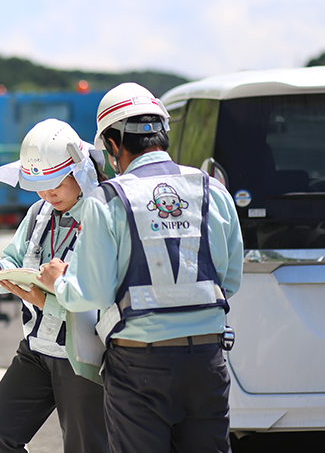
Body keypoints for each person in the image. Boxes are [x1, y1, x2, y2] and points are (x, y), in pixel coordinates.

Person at [38, 83, 244, 453]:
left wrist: (59, 283)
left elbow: (93, 293)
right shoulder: (212, 188)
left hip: (139, 365)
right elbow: (230, 280)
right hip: (207, 361)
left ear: (114, 145)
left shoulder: (109, 198)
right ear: (162, 134)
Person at [0, 118, 109, 453]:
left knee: (86, 447)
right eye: (39, 186)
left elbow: (107, 294)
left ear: (81, 170)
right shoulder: (39, 213)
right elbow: (14, 257)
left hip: (82, 356)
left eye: (56, 183)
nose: (48, 193)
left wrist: (50, 303)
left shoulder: (106, 216)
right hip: (36, 350)